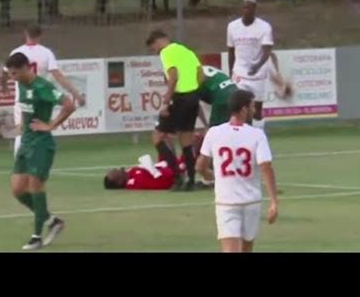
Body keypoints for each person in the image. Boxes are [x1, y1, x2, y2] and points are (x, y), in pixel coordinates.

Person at [5, 52, 76, 251]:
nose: (12, 78)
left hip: (41, 145)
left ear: (26, 68)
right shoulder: (22, 84)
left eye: (14, 74)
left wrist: (51, 125)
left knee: (36, 188)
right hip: (26, 142)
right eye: (11, 74)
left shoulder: (43, 87)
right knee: (18, 190)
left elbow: (69, 105)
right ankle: (52, 221)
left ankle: (36, 237)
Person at [195, 90, 278, 253]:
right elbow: (266, 168)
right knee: (247, 248)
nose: (254, 110)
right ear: (244, 109)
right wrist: (274, 201)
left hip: (226, 202)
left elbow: (200, 166)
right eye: (252, 106)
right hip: (251, 201)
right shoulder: (257, 135)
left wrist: (211, 177)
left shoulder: (214, 133)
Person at [2, 24, 85, 157]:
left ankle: (21, 164)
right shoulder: (46, 52)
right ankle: (35, 164)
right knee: (39, 130)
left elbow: (5, 73)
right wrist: (76, 94)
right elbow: (57, 75)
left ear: (25, 33)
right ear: (40, 35)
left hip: (23, 98)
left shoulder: (16, 52)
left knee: (22, 130)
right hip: (42, 98)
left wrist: (3, 86)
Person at [146, 30, 203, 191]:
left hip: (179, 98)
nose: (155, 52)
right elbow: (200, 73)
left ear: (157, 41)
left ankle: (178, 177)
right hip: (193, 97)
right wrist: (194, 90)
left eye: (153, 48)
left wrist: (166, 101)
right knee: (186, 140)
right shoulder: (186, 51)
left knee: (157, 137)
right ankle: (191, 181)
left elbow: (173, 76)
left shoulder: (167, 52)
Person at [227, 0, 274, 129]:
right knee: (238, 106)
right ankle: (239, 133)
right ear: (242, 9)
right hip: (239, 72)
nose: (247, 10)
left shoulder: (264, 27)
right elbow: (231, 50)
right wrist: (231, 71)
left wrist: (257, 66)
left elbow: (267, 51)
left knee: (256, 109)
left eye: (250, 8)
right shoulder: (232, 26)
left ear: (254, 9)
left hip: (258, 74)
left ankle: (259, 133)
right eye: (245, 7)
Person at [103, 154, 183, 190]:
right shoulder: (136, 182)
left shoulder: (130, 172)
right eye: (114, 172)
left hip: (170, 165)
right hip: (177, 170)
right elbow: (163, 182)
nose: (115, 169)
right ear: (119, 182)